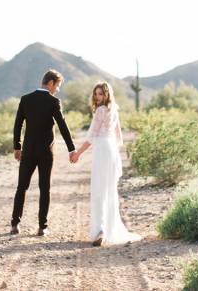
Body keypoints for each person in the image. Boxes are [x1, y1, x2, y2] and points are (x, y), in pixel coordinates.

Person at [72, 81, 141, 246]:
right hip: (111, 151)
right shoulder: (114, 110)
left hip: (102, 151)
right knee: (109, 190)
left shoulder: (101, 111)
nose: (97, 97)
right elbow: (119, 138)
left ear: (107, 94)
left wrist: (78, 154)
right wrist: (114, 153)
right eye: (96, 94)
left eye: (100, 94)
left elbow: (91, 138)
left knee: (99, 190)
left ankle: (100, 230)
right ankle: (109, 230)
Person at [10, 69, 77, 236]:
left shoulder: (26, 99)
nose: (58, 89)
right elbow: (62, 125)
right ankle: (42, 227)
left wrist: (17, 147)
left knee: (22, 187)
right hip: (46, 152)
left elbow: (18, 124)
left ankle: (15, 225)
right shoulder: (53, 101)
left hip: (28, 151)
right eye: (58, 85)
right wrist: (71, 148)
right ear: (51, 83)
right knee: (44, 188)